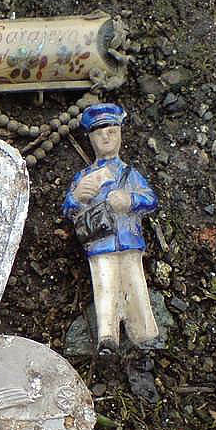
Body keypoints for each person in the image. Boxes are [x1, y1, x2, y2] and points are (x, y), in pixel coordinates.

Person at [62, 103, 158, 355]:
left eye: (112, 132)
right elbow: (68, 209)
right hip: (99, 242)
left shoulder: (129, 173)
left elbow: (150, 199)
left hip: (129, 239)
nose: (106, 138)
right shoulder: (83, 177)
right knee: (105, 284)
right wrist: (76, 197)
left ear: (120, 135)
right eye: (99, 133)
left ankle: (144, 330)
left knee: (135, 282)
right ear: (90, 138)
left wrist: (130, 200)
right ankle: (107, 336)